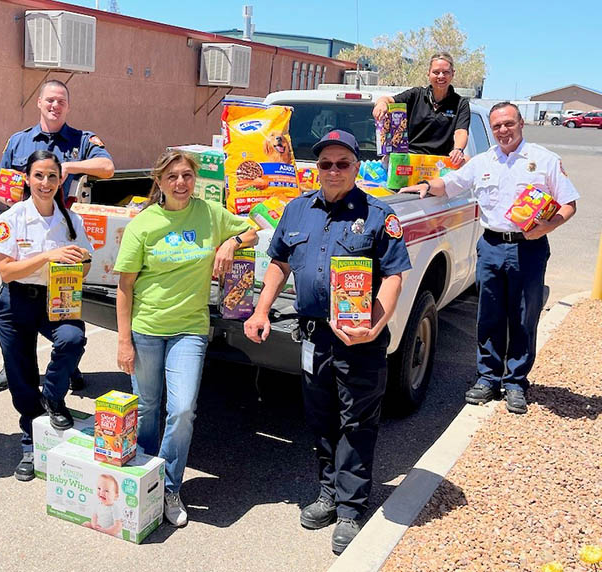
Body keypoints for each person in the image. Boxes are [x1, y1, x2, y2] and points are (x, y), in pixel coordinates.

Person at [244, 130, 411, 554]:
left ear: (356, 167)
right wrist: (261, 310)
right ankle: (327, 493)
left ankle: (352, 509)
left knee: (356, 421)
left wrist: (375, 324)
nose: (333, 170)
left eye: (342, 163)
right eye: (325, 164)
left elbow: (393, 275)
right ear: (315, 169)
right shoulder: (297, 210)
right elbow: (279, 262)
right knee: (320, 418)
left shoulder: (378, 215)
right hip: (314, 336)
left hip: (359, 339)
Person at [401, 102, 579, 414]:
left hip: (529, 247)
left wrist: (548, 226)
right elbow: (451, 183)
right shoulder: (483, 161)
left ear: (520, 123)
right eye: (496, 126)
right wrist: (426, 186)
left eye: (508, 124)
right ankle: (487, 378)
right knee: (489, 316)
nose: (502, 131)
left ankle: (515, 383)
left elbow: (568, 204)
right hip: (491, 246)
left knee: (524, 317)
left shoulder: (544, 160)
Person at [114, 150, 258, 527]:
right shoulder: (144, 224)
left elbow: (254, 228)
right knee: (147, 408)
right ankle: (143, 480)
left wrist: (231, 243)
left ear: (195, 180)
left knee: (181, 410)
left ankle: (169, 485)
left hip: (189, 329)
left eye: (187, 176)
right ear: (159, 182)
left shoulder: (209, 214)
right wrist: (123, 341)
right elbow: (125, 287)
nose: (181, 183)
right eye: (173, 177)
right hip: (146, 329)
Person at [0, 79, 115, 393]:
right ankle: (13, 364)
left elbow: (107, 167)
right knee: (16, 301)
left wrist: (67, 165)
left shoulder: (81, 139)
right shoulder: (18, 141)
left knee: (65, 312)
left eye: (61, 101)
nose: (54, 106)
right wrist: (10, 200)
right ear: (39, 102)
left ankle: (68, 365)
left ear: (68, 106)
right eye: (49, 100)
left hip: (63, 227)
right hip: (23, 234)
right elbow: (2, 183)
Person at [0, 150, 94, 481]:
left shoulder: (71, 220)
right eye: (38, 176)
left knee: (73, 339)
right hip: (16, 301)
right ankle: (30, 446)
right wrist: (49, 255)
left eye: (52, 176)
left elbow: (86, 264)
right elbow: (6, 271)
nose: (45, 183)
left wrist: (80, 262)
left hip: (57, 297)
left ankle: (53, 396)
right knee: (20, 378)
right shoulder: (13, 217)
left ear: (61, 179)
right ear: (28, 179)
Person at [372, 52, 470, 167]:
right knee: (387, 162)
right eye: (436, 72)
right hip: (408, 160)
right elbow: (387, 99)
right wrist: (381, 104)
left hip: (440, 164)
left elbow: (460, 132)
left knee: (467, 161)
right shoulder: (415, 94)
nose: (441, 76)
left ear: (453, 74)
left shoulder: (460, 104)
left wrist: (458, 150)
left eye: (446, 72)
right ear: (428, 73)